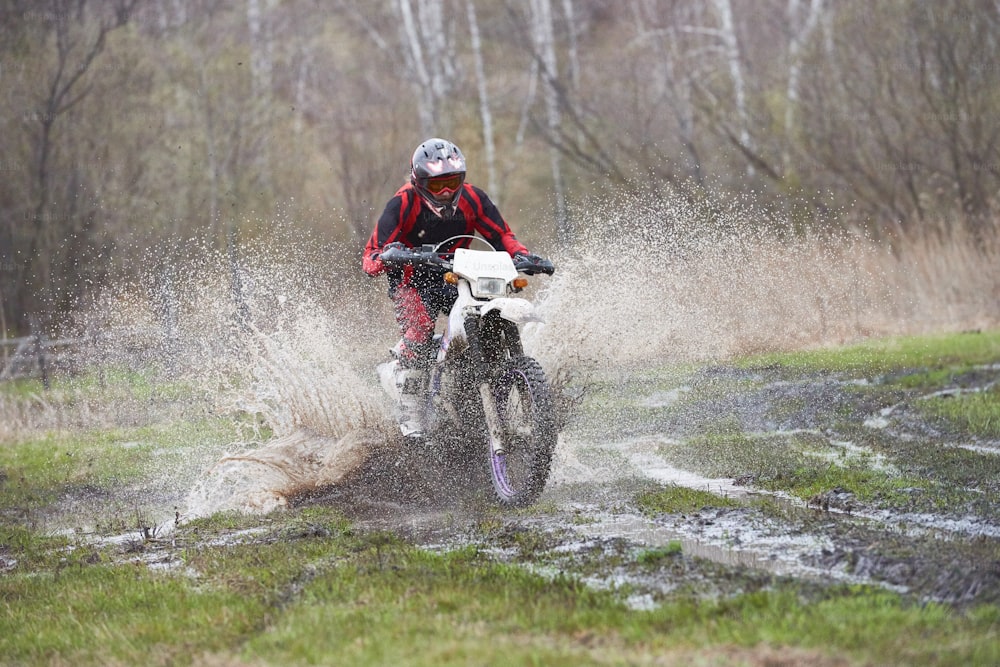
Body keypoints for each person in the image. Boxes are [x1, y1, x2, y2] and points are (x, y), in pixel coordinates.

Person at [363, 137, 547, 437]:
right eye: (438, 186)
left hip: (458, 274)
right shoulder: (403, 203)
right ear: (420, 182)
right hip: (412, 279)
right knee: (421, 329)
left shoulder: (474, 199)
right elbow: (371, 254)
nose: (447, 192)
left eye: (453, 182)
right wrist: (388, 257)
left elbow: (502, 235)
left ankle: (485, 392)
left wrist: (522, 255)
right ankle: (411, 413)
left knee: (489, 316)